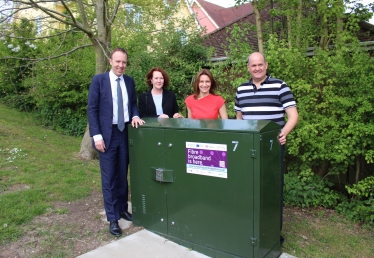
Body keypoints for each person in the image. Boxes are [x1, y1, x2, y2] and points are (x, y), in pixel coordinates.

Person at [235, 52, 299, 245]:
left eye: (260, 65)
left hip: (271, 147)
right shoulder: (241, 89)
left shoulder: (280, 86)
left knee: (271, 189)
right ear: (248, 67)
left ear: (266, 65)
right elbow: (239, 116)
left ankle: (272, 232)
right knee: (248, 188)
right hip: (249, 148)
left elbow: (293, 115)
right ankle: (249, 228)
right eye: (253, 65)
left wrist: (283, 133)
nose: (257, 68)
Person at [87, 47, 145, 237]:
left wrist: (135, 115)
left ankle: (121, 209)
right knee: (109, 178)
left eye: (124, 62)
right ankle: (112, 218)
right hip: (107, 135)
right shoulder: (99, 81)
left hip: (125, 133)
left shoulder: (129, 81)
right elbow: (92, 109)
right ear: (110, 61)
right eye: (118, 61)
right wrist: (96, 136)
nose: (121, 65)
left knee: (122, 174)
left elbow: (133, 104)